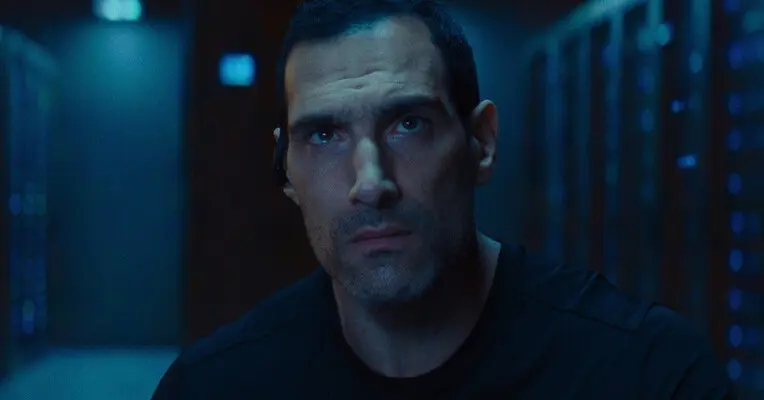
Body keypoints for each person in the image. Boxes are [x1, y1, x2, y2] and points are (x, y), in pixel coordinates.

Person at [152, 0, 735, 398]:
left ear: (482, 143)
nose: (370, 182)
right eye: (324, 135)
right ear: (286, 169)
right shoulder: (214, 387)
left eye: (408, 124)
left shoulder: (648, 374)